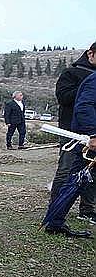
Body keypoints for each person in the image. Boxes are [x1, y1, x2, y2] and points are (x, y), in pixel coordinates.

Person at [44, 71, 96, 238]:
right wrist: (94, 134)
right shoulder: (94, 80)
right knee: (76, 180)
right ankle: (55, 221)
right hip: (91, 140)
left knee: (77, 181)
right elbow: (84, 106)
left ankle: (55, 221)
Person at [50, 42, 96, 225]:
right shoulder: (71, 73)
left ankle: (87, 210)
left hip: (93, 131)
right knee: (66, 169)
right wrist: (88, 87)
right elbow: (63, 97)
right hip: (72, 130)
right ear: (90, 53)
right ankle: (55, 210)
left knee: (92, 172)